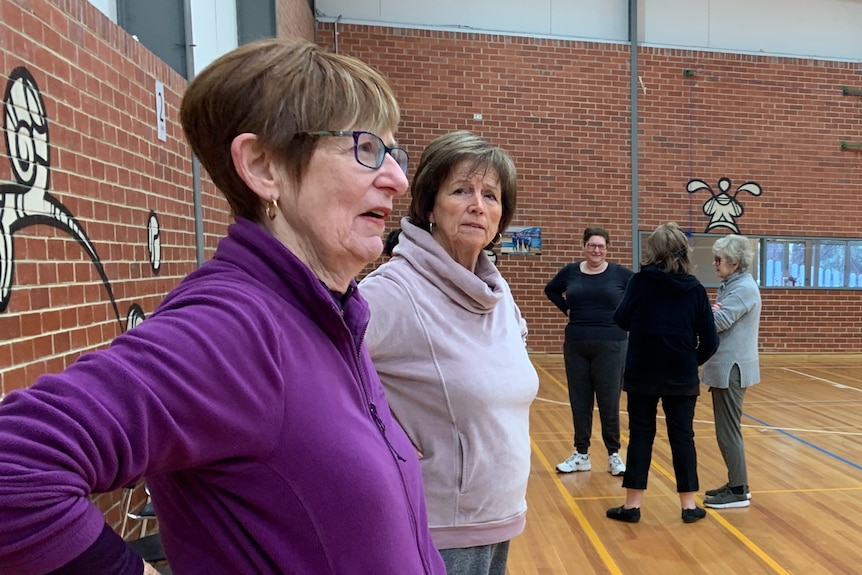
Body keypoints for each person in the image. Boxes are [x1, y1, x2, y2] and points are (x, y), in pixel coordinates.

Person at [0, 38, 446, 575]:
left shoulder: (329, 316)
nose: (397, 178)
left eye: (393, 153)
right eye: (367, 148)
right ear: (262, 167)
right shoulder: (235, 327)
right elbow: (13, 468)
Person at [359, 131, 539, 575]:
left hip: (499, 518)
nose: (479, 204)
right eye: (461, 190)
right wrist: (382, 437)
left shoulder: (498, 293)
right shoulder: (393, 292)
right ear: (429, 206)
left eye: (491, 195)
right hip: (437, 530)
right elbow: (317, 380)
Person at [606, 222, 719, 524]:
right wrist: (689, 360)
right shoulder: (695, 289)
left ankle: (631, 506)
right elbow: (710, 340)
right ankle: (689, 506)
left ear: (653, 251)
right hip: (681, 375)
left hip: (643, 371)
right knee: (683, 437)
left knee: (641, 436)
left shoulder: (640, 282)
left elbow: (621, 319)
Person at [545, 226, 634, 476]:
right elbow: (551, 290)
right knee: (580, 400)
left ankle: (614, 454)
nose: (596, 250)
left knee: (608, 401)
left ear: (607, 249)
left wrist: (626, 318)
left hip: (612, 345)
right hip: (576, 344)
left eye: (601, 246)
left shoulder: (621, 275)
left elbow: (640, 294)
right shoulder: (571, 272)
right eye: (592, 245)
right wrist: (566, 309)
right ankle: (581, 454)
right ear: (584, 246)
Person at [701, 234, 761, 509]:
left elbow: (719, 320)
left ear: (734, 263)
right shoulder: (731, 284)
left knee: (727, 432)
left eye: (719, 259)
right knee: (726, 430)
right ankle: (738, 483)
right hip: (726, 366)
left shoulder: (743, 288)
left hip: (732, 369)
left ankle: (738, 490)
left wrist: (704, 313)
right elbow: (715, 315)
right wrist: (709, 311)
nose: (715, 264)